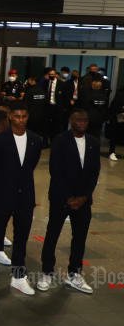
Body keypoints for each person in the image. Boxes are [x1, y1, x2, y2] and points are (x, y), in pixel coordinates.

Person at [0, 103, 43, 295]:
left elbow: (29, 167)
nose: (20, 120)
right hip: (2, 196)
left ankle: (18, 276)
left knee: (21, 238)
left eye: (24, 116)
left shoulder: (35, 140)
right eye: (16, 116)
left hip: (25, 197)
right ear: (10, 118)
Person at [38, 108, 100, 294]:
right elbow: (56, 171)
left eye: (85, 121)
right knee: (52, 234)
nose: (82, 123)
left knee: (80, 237)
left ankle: (74, 274)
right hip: (61, 198)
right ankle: (47, 272)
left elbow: (94, 172)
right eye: (78, 120)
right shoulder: (60, 141)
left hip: (83, 200)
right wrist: (69, 198)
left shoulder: (93, 142)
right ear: (71, 121)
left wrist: (84, 197)